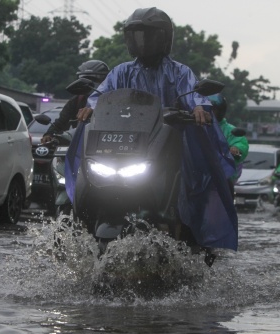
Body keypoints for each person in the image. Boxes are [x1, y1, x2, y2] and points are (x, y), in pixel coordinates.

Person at [70, 7, 238, 255]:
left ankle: (191, 239)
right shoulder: (121, 71)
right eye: (137, 36)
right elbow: (102, 95)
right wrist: (90, 107)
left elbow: (194, 95)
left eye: (148, 36)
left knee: (192, 186)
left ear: (164, 38)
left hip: (166, 146)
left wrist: (199, 108)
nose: (142, 42)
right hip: (125, 145)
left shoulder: (179, 72)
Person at [40, 60, 109, 143]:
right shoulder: (76, 101)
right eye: (84, 81)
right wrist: (49, 134)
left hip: (106, 142)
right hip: (79, 143)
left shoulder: (111, 99)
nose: (89, 85)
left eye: (95, 81)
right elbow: (61, 121)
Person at [208, 93, 249, 189]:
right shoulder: (193, 126)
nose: (208, 112)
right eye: (206, 109)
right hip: (195, 173)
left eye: (213, 110)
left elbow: (241, 143)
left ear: (220, 111)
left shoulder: (230, 130)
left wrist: (236, 149)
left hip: (221, 177)